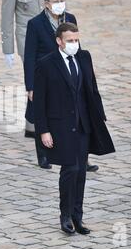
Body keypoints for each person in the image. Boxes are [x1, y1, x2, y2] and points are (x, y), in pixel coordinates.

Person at [34, 23, 115, 235]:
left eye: (76, 40)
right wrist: (43, 130)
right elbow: (39, 102)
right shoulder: (46, 64)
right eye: (69, 41)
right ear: (59, 41)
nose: (74, 44)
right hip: (60, 126)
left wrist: (99, 118)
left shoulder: (84, 57)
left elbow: (92, 88)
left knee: (81, 173)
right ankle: (65, 216)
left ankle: (78, 217)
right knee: (69, 170)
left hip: (83, 125)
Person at [24, 0, 99, 172]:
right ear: (46, 3)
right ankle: (44, 154)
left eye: (62, 0)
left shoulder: (70, 18)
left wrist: (85, 73)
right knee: (43, 111)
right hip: (47, 76)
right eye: (56, 1)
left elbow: (77, 47)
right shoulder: (35, 24)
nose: (60, 4)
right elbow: (30, 56)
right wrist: (30, 85)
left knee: (76, 112)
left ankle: (82, 156)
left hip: (69, 72)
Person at [1, 0, 58, 139]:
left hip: (50, 37)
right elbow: (7, 17)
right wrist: (8, 48)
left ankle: (32, 123)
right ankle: (38, 124)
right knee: (36, 80)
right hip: (28, 40)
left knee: (49, 79)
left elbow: (58, 5)